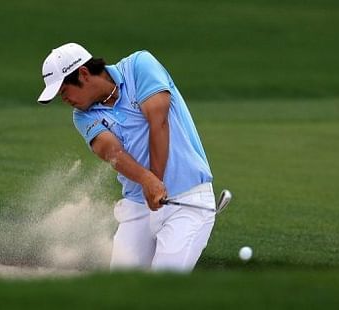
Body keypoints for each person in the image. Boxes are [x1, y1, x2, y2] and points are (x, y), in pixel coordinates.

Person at [37, 43, 215, 272]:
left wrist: (155, 181)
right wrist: (149, 181)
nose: (64, 99)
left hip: (187, 201)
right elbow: (112, 152)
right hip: (137, 207)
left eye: (63, 90)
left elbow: (158, 122)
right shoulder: (81, 116)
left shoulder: (140, 65)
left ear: (82, 73)